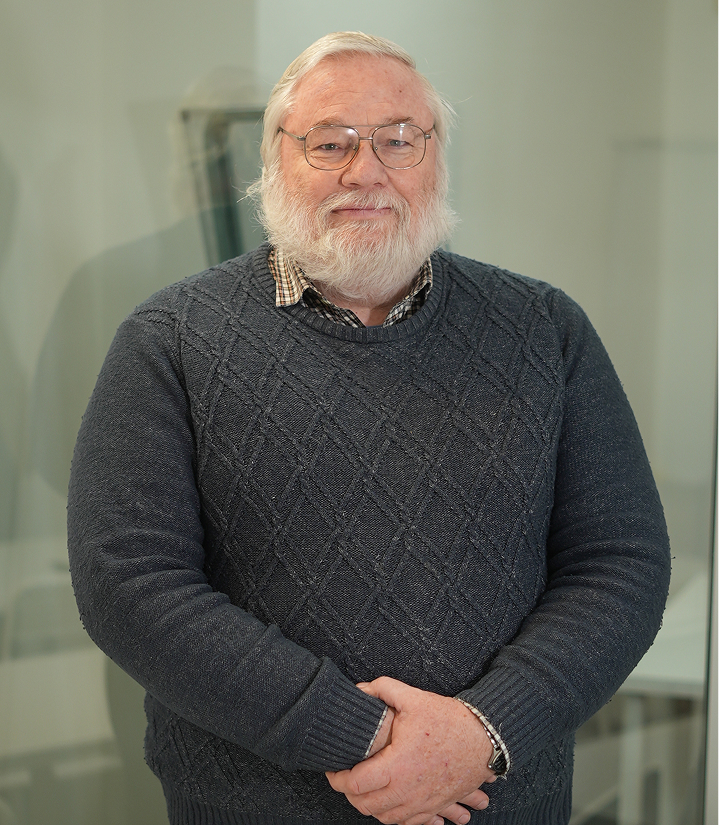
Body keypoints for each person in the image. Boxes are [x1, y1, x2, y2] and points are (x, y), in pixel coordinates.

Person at [67, 31, 671, 825]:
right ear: (274, 160)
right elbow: (128, 583)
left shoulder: (544, 329)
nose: (365, 170)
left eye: (398, 140)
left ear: (436, 160)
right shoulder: (171, 340)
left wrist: (482, 731)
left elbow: (619, 565)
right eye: (330, 143)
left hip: (500, 800)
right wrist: (365, 737)